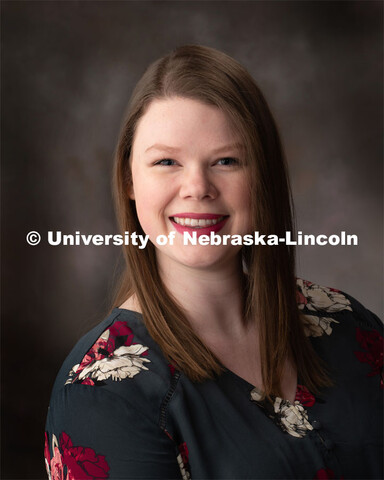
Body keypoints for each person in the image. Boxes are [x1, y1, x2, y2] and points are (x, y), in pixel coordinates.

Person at [44, 45, 383, 480]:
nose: (197, 187)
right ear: (129, 180)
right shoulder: (103, 395)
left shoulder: (348, 324)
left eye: (226, 161)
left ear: (263, 177)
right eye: (166, 161)